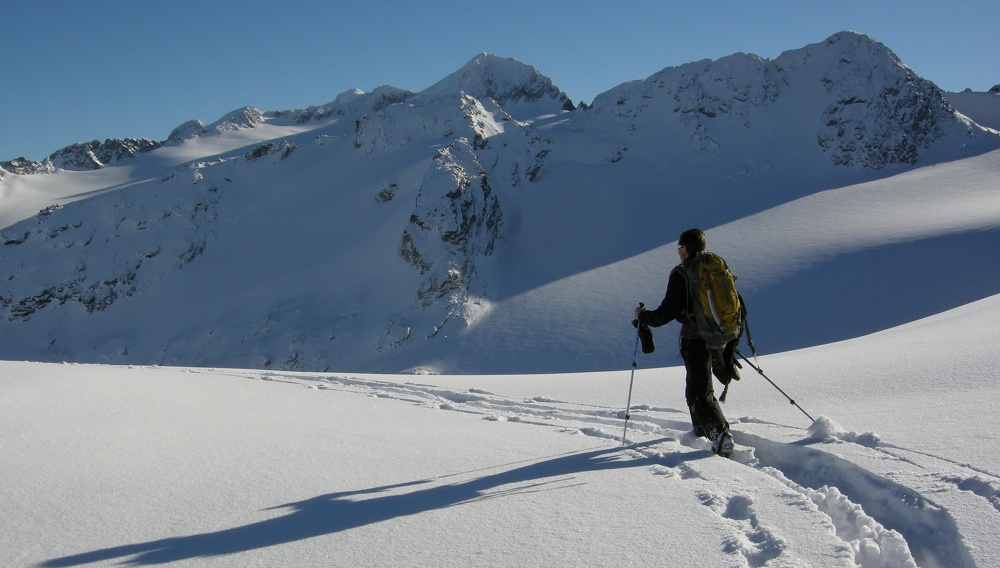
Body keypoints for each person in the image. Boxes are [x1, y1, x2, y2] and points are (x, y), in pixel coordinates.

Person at [633, 228, 735, 457]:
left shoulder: (682, 273)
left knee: (701, 392)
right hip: (717, 337)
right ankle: (701, 430)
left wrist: (643, 316)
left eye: (679, 248)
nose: (678, 252)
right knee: (694, 389)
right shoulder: (714, 268)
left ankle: (720, 434)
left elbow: (666, 312)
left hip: (695, 339)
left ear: (686, 249)